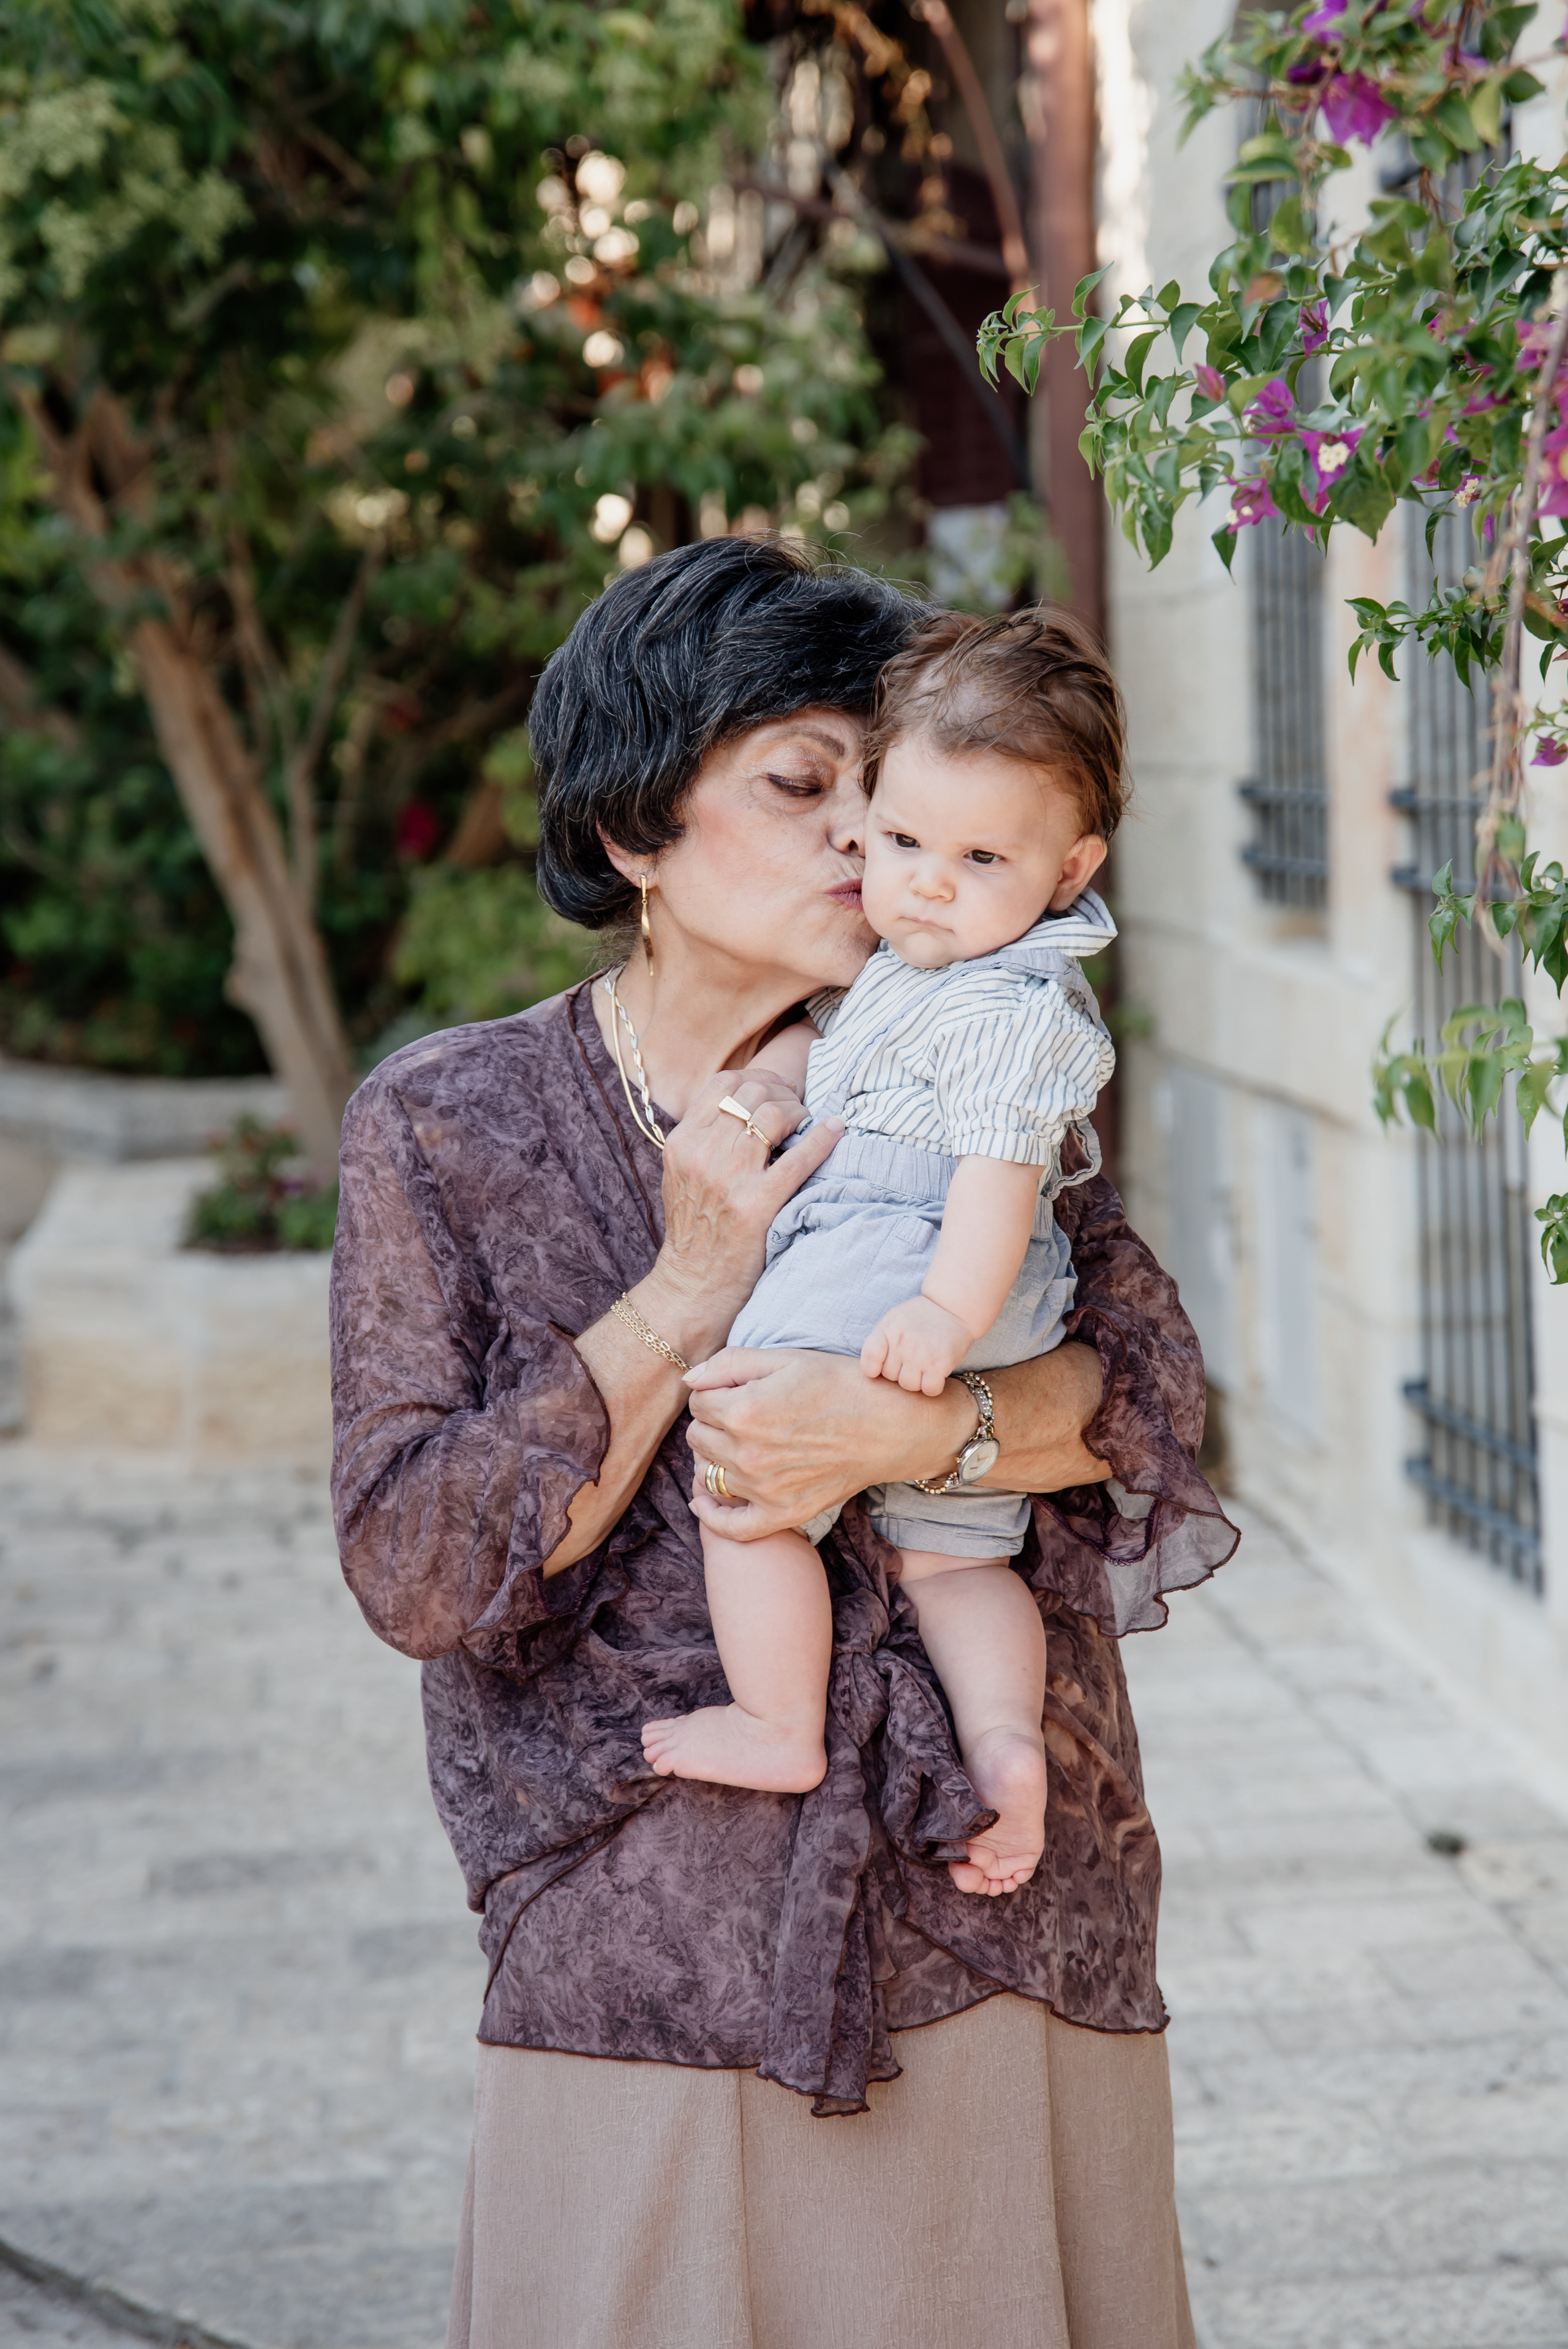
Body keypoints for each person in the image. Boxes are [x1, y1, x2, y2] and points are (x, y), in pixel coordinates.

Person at [330, 538, 1237, 2349]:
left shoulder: (953, 1045)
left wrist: (916, 1424)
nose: (862, 838)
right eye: (801, 785)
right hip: (644, 1933)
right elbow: (419, 1561)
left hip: (987, 1886)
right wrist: (685, 1296)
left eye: (877, 788)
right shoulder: (451, 1122)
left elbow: (1140, 1386)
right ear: (632, 837)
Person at [643, 609, 1124, 1913]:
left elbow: (994, 1184)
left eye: (977, 856)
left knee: (742, 1477)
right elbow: (842, 1044)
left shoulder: (1011, 1013)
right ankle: (1004, 1742)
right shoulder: (939, 959)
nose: (920, 880)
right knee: (956, 1556)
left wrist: (937, 1308)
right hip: (926, 1274)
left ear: (1069, 867)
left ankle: (773, 1717)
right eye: (902, 839)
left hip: (905, 1260)